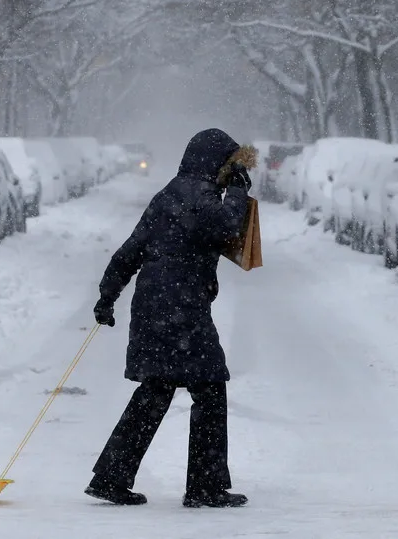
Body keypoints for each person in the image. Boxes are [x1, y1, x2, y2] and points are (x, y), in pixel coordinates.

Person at [85, 128, 256, 509]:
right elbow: (227, 225)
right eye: (229, 165)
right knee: (209, 388)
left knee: (156, 390)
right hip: (181, 310)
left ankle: (111, 478)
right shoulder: (200, 196)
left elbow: (130, 250)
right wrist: (238, 192)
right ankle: (205, 486)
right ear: (215, 163)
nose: (231, 172)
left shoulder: (168, 195)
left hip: (155, 306)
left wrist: (107, 295)